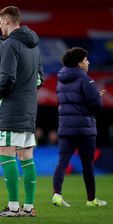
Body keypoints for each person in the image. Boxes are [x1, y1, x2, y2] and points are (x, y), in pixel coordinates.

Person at [0, 6, 44, 218]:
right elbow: (39, 79)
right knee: (26, 155)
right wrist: (27, 93)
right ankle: (28, 208)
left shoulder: (11, 42)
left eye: (0, 22)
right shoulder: (35, 45)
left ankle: (13, 208)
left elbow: (8, 77)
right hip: (30, 107)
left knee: (7, 153)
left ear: (6, 20)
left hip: (12, 108)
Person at [52, 47, 107, 207]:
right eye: (85, 60)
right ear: (79, 63)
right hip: (84, 128)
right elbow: (97, 105)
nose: (88, 62)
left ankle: (57, 195)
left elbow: (69, 102)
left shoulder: (60, 80)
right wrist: (96, 97)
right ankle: (91, 200)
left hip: (65, 127)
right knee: (87, 164)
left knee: (62, 161)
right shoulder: (86, 80)